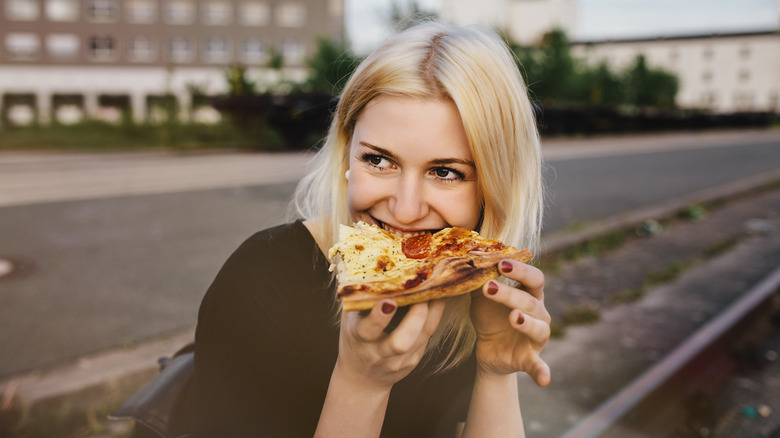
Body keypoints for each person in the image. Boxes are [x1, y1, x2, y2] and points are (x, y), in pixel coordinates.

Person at [190, 21, 551, 438]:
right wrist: (360, 384)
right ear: (347, 150)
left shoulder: (467, 292)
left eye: (446, 172)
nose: (406, 209)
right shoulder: (257, 284)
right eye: (379, 161)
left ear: (494, 186)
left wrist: (495, 370)